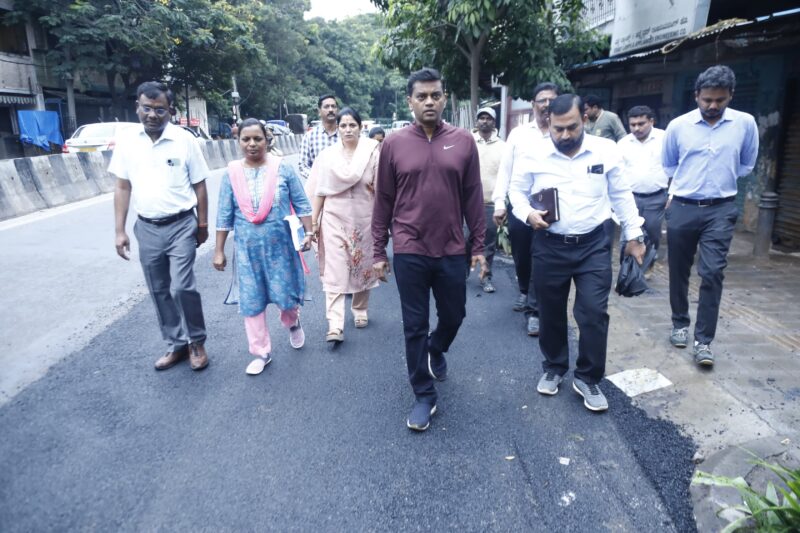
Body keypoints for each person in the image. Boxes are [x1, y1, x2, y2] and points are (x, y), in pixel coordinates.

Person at [508, 94, 645, 412]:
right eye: (558, 129)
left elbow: (621, 194)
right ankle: (554, 367)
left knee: (593, 313)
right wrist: (528, 213)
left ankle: (587, 378)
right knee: (550, 311)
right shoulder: (533, 153)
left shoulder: (606, 150)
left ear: (584, 119)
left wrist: (634, 234)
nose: (565, 135)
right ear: (549, 123)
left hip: (593, 245)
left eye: (571, 127)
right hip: (549, 244)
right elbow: (517, 191)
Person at [372, 67, 488, 431]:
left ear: (444, 98)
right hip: (409, 248)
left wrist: (479, 245)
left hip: (452, 247)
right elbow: (383, 200)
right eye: (421, 96)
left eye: (435, 95)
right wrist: (378, 251)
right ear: (410, 101)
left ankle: (437, 348)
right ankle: (424, 394)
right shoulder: (393, 144)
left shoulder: (463, 141)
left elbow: (473, 196)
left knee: (455, 315)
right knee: (414, 325)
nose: (429, 102)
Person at [111, 81, 211, 371]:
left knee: (182, 287)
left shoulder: (184, 140)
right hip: (147, 227)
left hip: (181, 224)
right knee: (158, 289)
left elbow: (200, 185)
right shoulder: (127, 142)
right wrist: (120, 230)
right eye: (147, 108)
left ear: (171, 111)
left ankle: (196, 341)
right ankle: (176, 343)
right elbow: (122, 187)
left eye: (159, 110)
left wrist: (202, 223)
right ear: (137, 107)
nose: (152, 115)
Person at [663, 65, 758, 367]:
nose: (713, 105)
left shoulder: (745, 124)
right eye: (707, 100)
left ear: (731, 95)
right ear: (696, 96)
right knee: (678, 270)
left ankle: (703, 341)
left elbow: (747, 164)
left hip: (721, 209)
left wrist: (718, 183)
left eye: (720, 99)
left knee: (713, 272)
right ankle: (679, 323)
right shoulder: (678, 126)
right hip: (683, 207)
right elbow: (669, 165)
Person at [212, 118, 313, 375]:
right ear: (238, 142)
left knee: (285, 296)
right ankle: (261, 352)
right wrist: (219, 250)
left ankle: (292, 322)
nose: (252, 144)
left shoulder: (282, 169)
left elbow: (302, 204)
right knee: (252, 301)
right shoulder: (231, 174)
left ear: (267, 141)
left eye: (257, 138)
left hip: (281, 249)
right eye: (246, 139)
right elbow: (224, 215)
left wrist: (309, 233)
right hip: (247, 252)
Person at [307, 107, 380, 343]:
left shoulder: (372, 152)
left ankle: (360, 309)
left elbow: (381, 190)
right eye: (343, 126)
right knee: (335, 270)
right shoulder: (327, 157)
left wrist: (384, 223)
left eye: (352, 125)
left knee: (362, 265)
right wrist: (313, 223)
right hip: (333, 219)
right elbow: (319, 191)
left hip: (364, 219)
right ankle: (335, 324)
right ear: (337, 129)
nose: (348, 130)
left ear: (360, 127)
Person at [494, 82, 559, 335]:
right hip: (520, 205)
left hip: (550, 209)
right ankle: (524, 289)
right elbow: (505, 170)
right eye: (542, 100)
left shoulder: (563, 132)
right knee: (522, 255)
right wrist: (500, 203)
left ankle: (535, 310)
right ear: (533, 105)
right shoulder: (519, 135)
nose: (547, 105)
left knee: (540, 256)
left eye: (552, 100)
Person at [618, 105, 669, 258]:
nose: (637, 128)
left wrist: (673, 194)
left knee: (652, 232)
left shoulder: (664, 139)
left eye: (641, 124)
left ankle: (648, 263)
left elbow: (676, 166)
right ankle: (628, 267)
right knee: (629, 234)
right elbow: (618, 173)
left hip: (656, 197)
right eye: (632, 125)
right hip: (630, 198)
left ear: (651, 121)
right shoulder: (623, 144)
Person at [470, 106, 504, 293]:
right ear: (476, 122)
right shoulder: (467, 142)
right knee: (464, 240)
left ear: (494, 122)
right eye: (481, 118)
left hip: (490, 203)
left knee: (488, 245)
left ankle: (486, 278)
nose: (484, 121)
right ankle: (461, 274)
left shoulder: (503, 147)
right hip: (467, 204)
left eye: (488, 118)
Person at [298, 94, 339, 181]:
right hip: (317, 186)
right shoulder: (309, 137)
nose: (331, 110)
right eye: (326, 107)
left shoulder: (345, 134)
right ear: (319, 111)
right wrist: (319, 179)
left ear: (337, 110)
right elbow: (303, 166)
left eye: (333, 106)